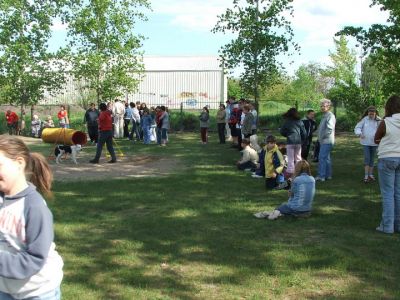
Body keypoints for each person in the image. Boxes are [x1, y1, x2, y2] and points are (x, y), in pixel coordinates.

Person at [0, 135, 63, 299]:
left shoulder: (34, 207)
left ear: (19, 163)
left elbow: (34, 259)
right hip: (6, 288)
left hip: (38, 292)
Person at [374, 95, 400, 234]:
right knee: (397, 193)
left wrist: (385, 141)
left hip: (387, 158)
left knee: (388, 193)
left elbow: (376, 139)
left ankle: (387, 226)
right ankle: (398, 225)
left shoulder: (386, 122)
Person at [354, 106, 381, 183]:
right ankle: (366, 175)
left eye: (372, 114)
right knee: (367, 158)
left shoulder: (379, 120)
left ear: (375, 113)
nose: (371, 115)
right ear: (368, 113)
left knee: (372, 159)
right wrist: (360, 134)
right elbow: (357, 128)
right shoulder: (364, 119)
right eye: (370, 113)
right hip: (365, 142)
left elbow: (382, 130)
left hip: (374, 143)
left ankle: (371, 174)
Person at [280, 107, 307, 176]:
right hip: (298, 142)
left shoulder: (287, 121)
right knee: (298, 158)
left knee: (290, 158)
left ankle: (290, 173)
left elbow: (282, 131)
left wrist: (287, 135)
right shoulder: (300, 121)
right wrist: (303, 140)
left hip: (290, 142)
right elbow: (304, 133)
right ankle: (300, 171)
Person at [316, 99, 336, 182]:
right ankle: (328, 175)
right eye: (321, 106)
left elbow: (329, 129)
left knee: (322, 158)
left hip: (326, 140)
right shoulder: (325, 115)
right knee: (326, 158)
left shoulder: (330, 116)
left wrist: (323, 137)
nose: (322, 107)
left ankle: (321, 176)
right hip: (324, 140)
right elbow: (322, 128)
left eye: (324, 106)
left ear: (329, 107)